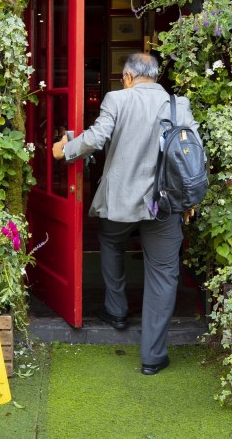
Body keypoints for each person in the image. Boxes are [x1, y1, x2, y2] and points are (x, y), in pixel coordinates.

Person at [52, 52, 198, 376]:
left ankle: (116, 311)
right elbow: (192, 152)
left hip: (120, 200)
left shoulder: (117, 99)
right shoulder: (179, 105)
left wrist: (66, 150)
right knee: (163, 274)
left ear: (129, 77)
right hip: (164, 203)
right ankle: (153, 356)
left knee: (111, 242)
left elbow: (97, 138)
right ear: (156, 77)